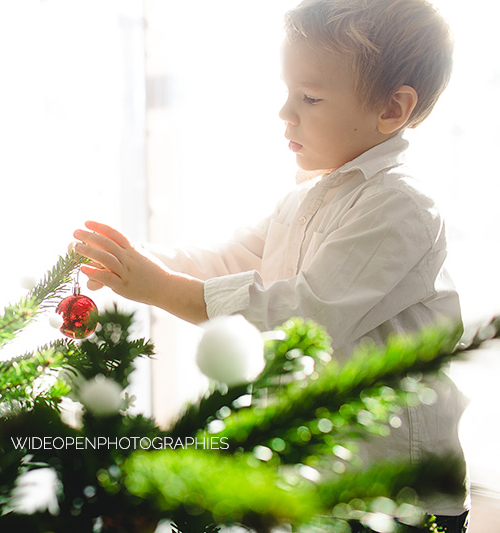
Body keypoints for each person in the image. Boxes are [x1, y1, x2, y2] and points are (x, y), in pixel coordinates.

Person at [72, 0, 469, 531]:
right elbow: (227, 262)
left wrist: (162, 290)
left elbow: (306, 316)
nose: (286, 112)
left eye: (309, 97)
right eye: (287, 93)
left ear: (392, 110)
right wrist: (135, 264)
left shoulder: (400, 205)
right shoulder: (310, 195)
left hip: (397, 490)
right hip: (321, 477)